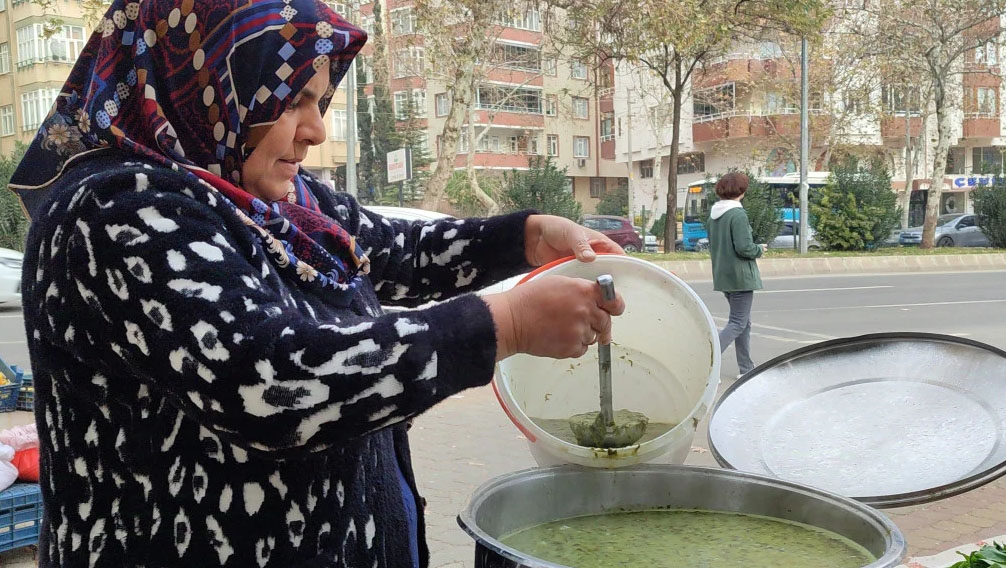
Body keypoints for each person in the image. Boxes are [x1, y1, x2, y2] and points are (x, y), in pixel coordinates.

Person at [9, 0, 625, 565]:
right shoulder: (115, 214)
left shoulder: (263, 196)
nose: (317, 129)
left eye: (320, 101)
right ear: (211, 84)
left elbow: (394, 251)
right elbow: (266, 380)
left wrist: (525, 238)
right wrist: (505, 325)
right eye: (291, 100)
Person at [707, 172, 766, 378]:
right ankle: (709, 360)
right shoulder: (737, 214)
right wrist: (759, 249)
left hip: (724, 275)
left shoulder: (715, 215)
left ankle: (746, 368)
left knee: (743, 322)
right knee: (738, 323)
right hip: (740, 276)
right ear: (741, 191)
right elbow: (744, 248)